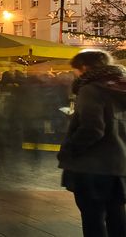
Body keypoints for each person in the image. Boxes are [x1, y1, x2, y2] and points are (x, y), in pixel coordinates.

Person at [58, 49, 126, 237]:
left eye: (76, 70)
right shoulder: (121, 87)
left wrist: (69, 150)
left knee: (93, 218)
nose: (75, 74)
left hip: (93, 167)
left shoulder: (91, 89)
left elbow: (93, 129)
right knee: (117, 216)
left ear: (84, 67)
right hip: (119, 166)